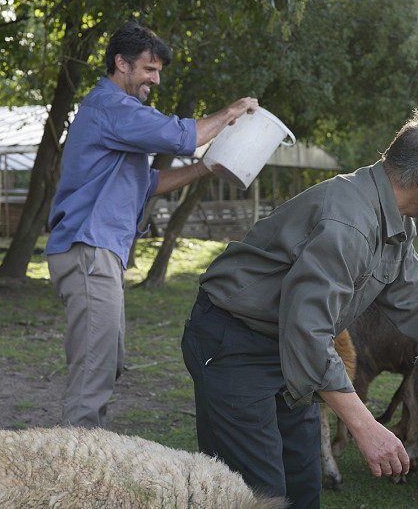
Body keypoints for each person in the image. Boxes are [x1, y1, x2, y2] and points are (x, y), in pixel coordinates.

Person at [181, 111, 418, 508]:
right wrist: (365, 426)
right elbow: (307, 330)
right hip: (235, 344)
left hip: (286, 350)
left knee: (302, 482)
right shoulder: (350, 224)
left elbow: (415, 293)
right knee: (255, 492)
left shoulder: (391, 214)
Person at [44, 22, 259, 428]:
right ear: (121, 63)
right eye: (148, 69)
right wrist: (230, 113)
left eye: (158, 71)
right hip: (89, 252)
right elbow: (179, 135)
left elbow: (148, 183)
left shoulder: (119, 119)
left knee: (109, 361)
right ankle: (75, 471)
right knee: (95, 370)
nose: (155, 80)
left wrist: (205, 168)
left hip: (98, 254)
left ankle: (83, 453)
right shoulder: (111, 107)